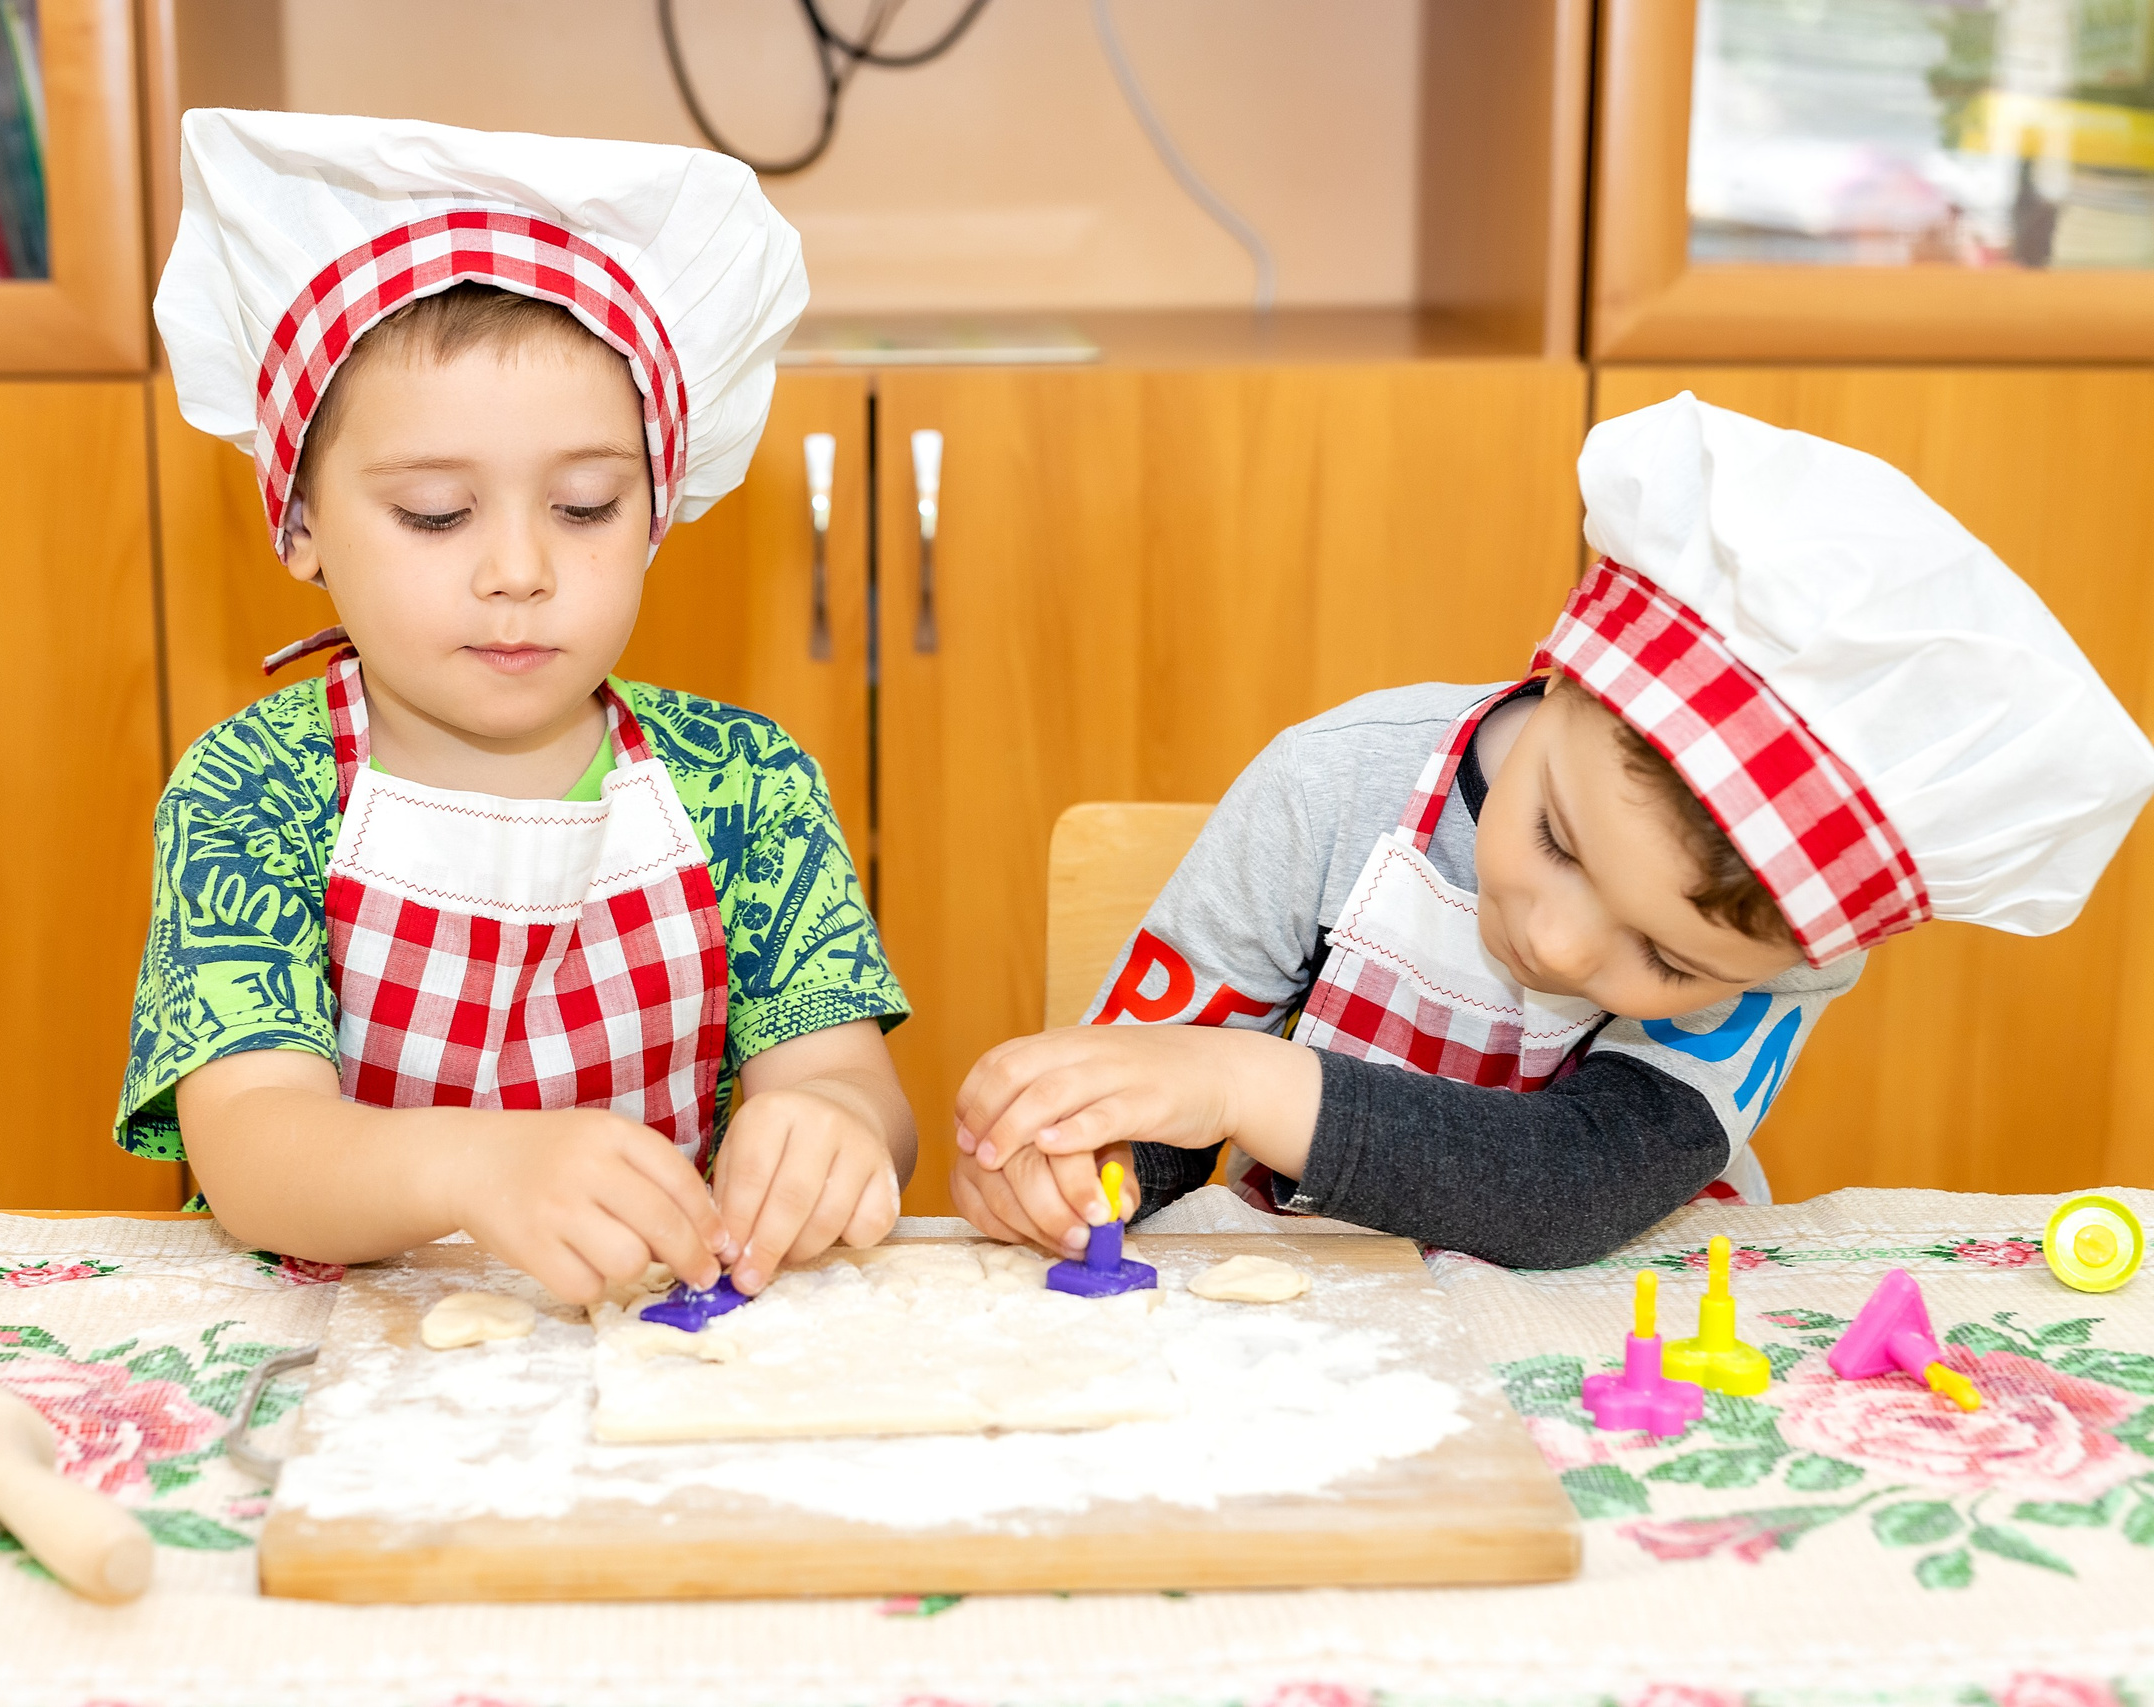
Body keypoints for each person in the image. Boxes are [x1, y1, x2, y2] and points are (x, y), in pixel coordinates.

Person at [952, 392, 2154, 1269]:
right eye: (1557, 842)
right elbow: (1157, 1102)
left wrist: (1237, 1081)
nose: (1570, 951)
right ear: (1559, 676)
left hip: (1627, 1345)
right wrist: (1080, 1173)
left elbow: (1571, 1186)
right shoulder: (1335, 787)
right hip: (1314, 1327)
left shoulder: (1800, 944)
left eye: (1669, 962)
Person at [120, 111, 913, 1303]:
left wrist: (829, 1129)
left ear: (658, 509)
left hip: (655, 1338)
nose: (519, 571)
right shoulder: (255, 787)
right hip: (347, 1351)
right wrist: (475, 1167)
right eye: (437, 513)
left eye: (586, 506)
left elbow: (852, 1087)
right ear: (298, 524)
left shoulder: (744, 782)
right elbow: (252, 1146)